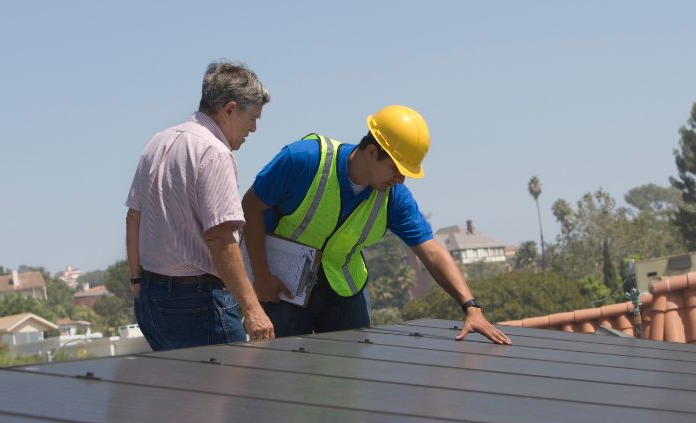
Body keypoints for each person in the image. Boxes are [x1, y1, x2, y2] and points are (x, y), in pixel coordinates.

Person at [241, 105, 511, 344]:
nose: (400, 180)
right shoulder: (304, 160)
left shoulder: (394, 197)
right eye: (396, 169)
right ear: (372, 151)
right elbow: (251, 206)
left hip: (344, 290)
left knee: (346, 375)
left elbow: (431, 251)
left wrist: (471, 307)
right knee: (281, 368)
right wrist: (262, 277)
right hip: (283, 285)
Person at [125, 61, 274, 351]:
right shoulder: (215, 153)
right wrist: (253, 310)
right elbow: (220, 238)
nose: (253, 128)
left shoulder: (158, 142)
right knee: (232, 381)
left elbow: (133, 217)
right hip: (198, 305)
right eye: (252, 118)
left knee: (180, 383)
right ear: (230, 109)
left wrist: (136, 282)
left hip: (151, 300)